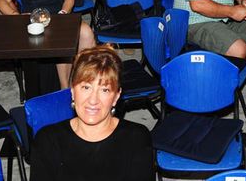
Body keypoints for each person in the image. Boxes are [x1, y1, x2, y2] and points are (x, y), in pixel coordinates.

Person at [29, 45, 154, 181]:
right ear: (72, 91)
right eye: (86, 87)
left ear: (116, 97)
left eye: (104, 90)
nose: (93, 100)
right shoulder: (47, 140)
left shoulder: (137, 139)